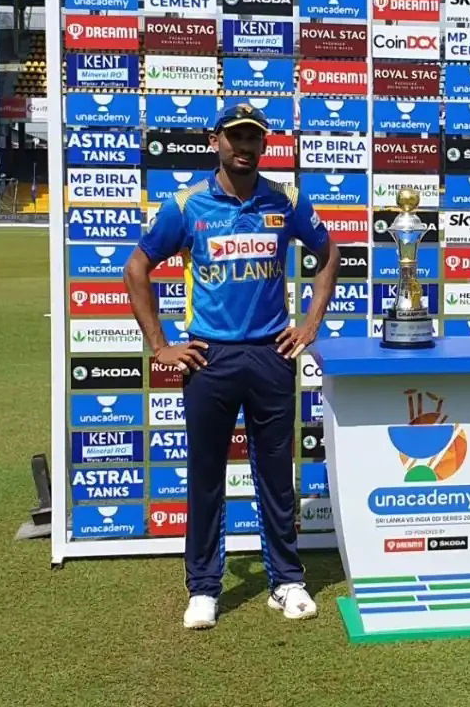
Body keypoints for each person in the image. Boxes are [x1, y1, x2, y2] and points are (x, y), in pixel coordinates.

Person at [123, 104, 339, 631]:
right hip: (210, 357)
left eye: (254, 138)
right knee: (205, 476)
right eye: (236, 137)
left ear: (264, 145)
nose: (245, 147)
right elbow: (137, 267)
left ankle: (286, 581)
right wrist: (160, 345)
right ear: (215, 140)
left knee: (275, 475)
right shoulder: (187, 204)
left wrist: (309, 324)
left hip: (270, 354)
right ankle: (203, 587)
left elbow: (328, 252)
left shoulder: (283, 200)